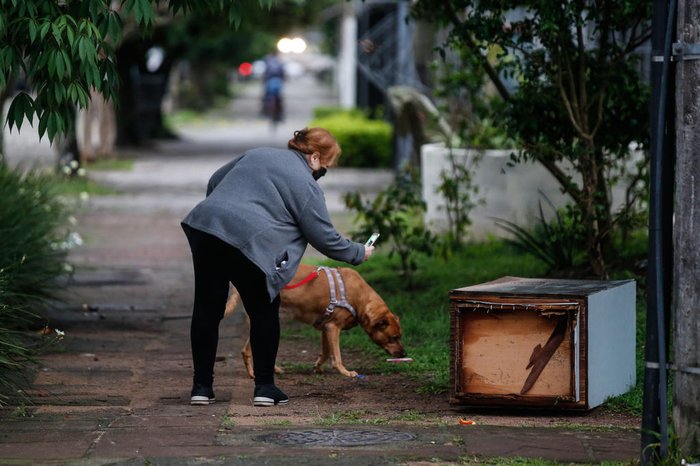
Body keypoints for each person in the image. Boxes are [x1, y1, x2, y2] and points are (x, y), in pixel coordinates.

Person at [181, 127, 375, 407]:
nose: (323, 173)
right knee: (263, 310)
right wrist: (359, 252)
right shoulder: (306, 185)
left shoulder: (258, 153)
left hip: (207, 227)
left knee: (207, 309)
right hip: (250, 242)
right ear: (315, 158)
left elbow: (216, 180)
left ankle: (201, 388)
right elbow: (322, 236)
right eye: (326, 167)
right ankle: (264, 388)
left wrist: (226, 208)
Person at [261, 51, 285, 124]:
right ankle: (280, 114)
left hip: (269, 81)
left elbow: (265, 73)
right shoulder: (279, 62)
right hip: (278, 81)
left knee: (266, 96)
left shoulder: (268, 61)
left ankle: (265, 111)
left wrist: (264, 80)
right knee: (279, 98)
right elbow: (282, 73)